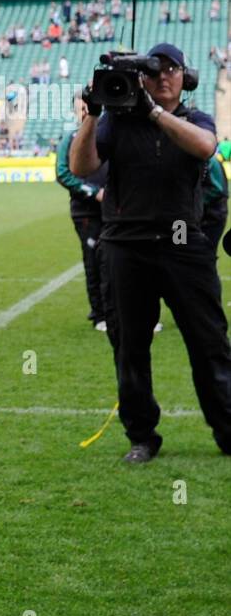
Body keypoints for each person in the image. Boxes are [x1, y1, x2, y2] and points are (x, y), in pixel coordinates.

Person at [70, 43, 231, 462]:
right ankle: (142, 437)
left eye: (171, 69)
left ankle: (228, 430)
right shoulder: (116, 123)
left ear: (185, 77)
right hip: (125, 246)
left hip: (184, 245)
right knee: (130, 347)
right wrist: (91, 118)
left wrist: (153, 113)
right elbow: (81, 168)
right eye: (154, 70)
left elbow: (205, 147)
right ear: (141, 76)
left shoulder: (194, 118)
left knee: (209, 342)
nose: (163, 77)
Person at [55, 112, 109, 330]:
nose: (88, 111)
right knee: (94, 261)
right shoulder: (70, 139)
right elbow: (62, 173)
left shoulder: (110, 134)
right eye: (83, 107)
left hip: (118, 210)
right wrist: (92, 192)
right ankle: (100, 314)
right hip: (86, 212)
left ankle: (131, 313)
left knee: (125, 260)